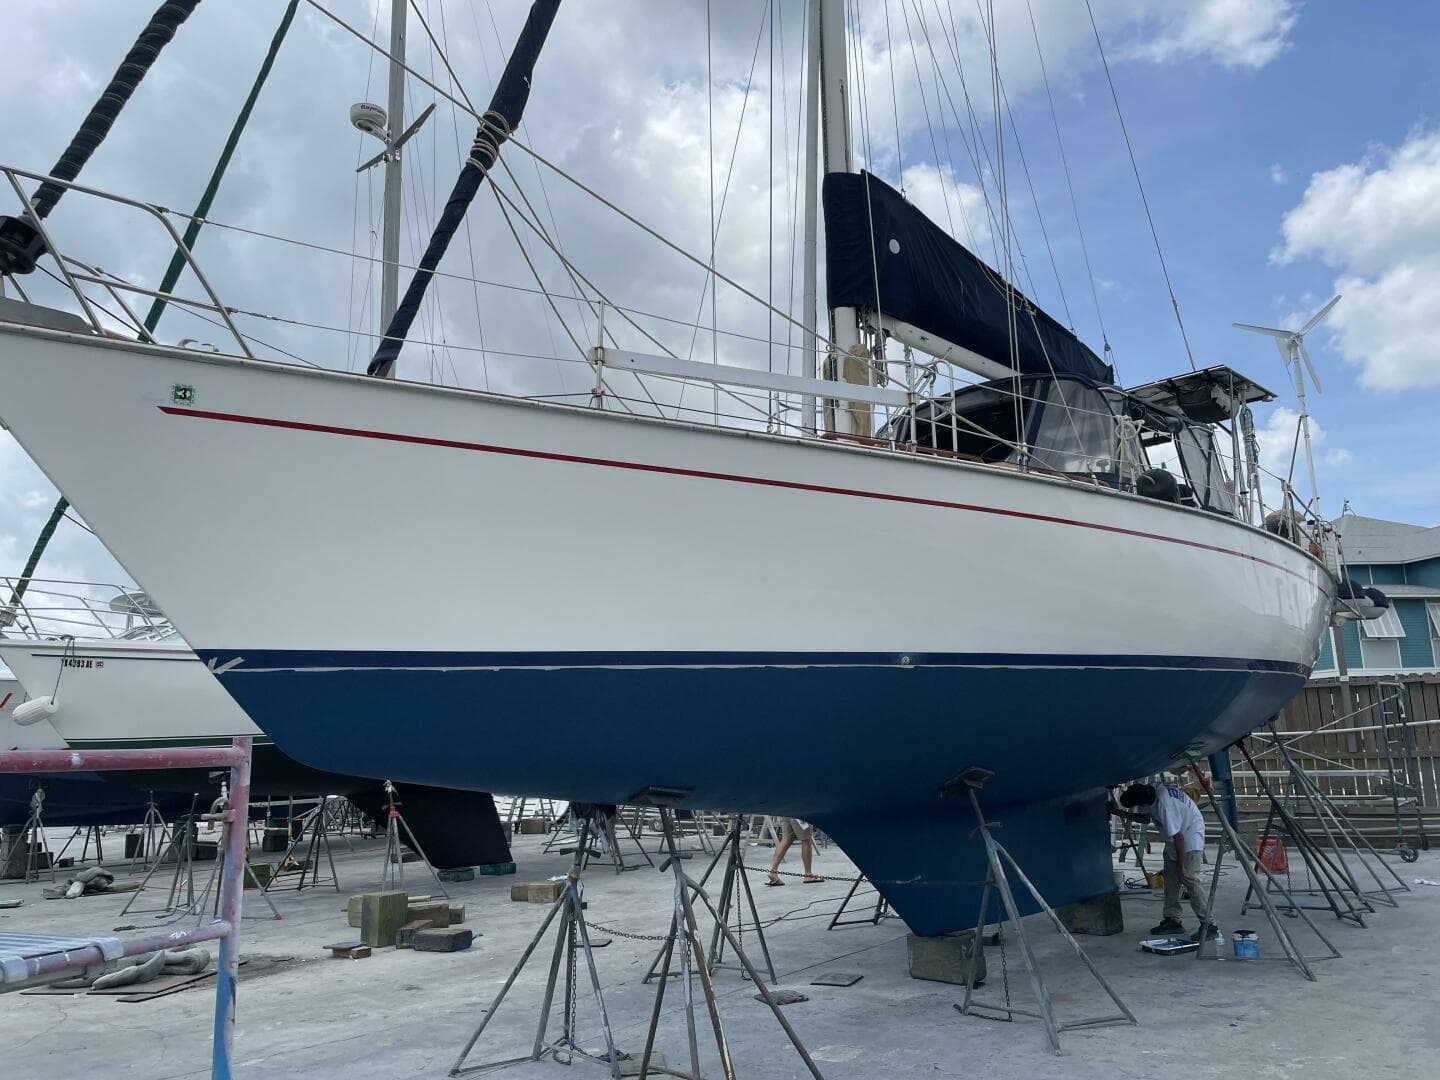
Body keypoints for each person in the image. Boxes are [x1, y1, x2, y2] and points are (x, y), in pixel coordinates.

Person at [1111, 782, 1216, 940]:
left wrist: (1181, 868)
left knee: (1189, 880)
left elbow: (1179, 838)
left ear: (1143, 802)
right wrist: (1119, 813)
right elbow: (1145, 819)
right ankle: (1172, 919)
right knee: (1171, 879)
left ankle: (1209, 925)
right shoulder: (1150, 791)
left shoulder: (1165, 807)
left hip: (1189, 837)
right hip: (1174, 839)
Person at [766, 817, 823, 885]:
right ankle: (808, 874)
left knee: (786, 839)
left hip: (786, 812)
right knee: (806, 840)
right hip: (800, 813)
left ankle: (773, 872)